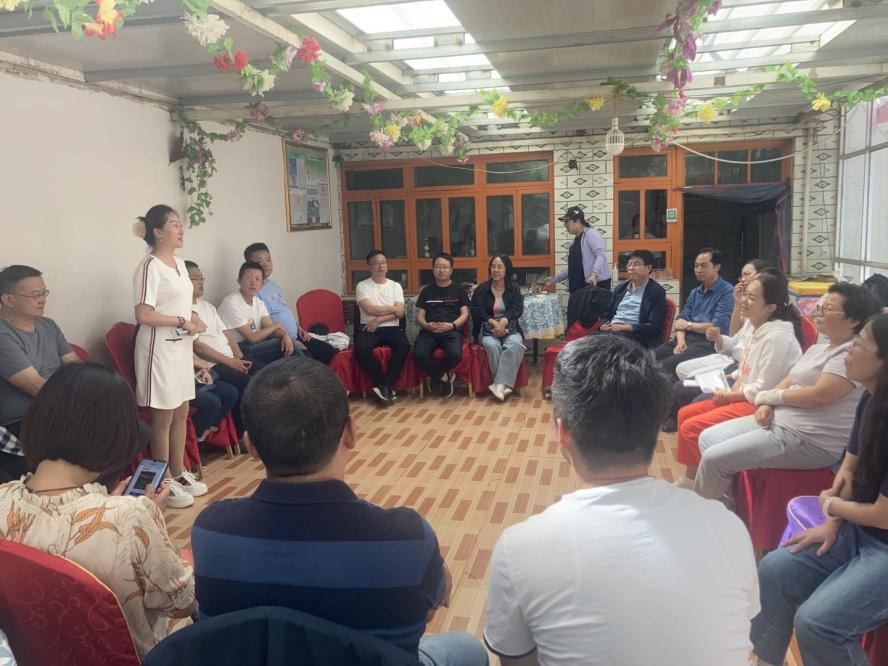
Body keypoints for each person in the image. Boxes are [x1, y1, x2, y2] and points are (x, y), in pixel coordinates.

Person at [191, 357, 487, 666]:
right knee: (467, 648)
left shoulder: (211, 531)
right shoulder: (408, 538)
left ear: (250, 445)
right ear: (350, 432)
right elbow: (433, 603)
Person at [484, 335, 758, 666]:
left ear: (562, 432)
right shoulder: (727, 527)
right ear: (655, 426)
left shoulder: (520, 548)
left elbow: (516, 660)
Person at [0, 363, 195, 658]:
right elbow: (182, 603)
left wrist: (109, 505)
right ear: (117, 435)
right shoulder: (127, 517)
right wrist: (151, 520)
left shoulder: (4, 498)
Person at [750, 313, 888, 666]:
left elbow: (883, 515)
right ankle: (765, 660)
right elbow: (849, 468)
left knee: (816, 624)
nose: (849, 351)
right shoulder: (870, 399)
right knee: (775, 570)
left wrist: (833, 508)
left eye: (860, 344)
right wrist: (833, 522)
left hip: (882, 543)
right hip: (860, 530)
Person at [694, 282, 882, 500]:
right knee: (707, 438)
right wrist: (767, 403)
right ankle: (726, 503)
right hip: (778, 421)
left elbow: (818, 395)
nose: (818, 312)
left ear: (853, 320)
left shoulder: (848, 356)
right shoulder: (818, 348)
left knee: (714, 459)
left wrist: (768, 397)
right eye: (820, 306)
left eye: (828, 309)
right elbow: (788, 379)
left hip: (808, 438)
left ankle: (706, 514)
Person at [674, 271, 803, 488]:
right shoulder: (756, 326)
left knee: (691, 427)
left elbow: (764, 389)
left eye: (752, 297)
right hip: (742, 393)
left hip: (759, 404)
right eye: (746, 295)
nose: (744, 300)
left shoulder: (777, 337)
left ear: (770, 307)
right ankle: (691, 477)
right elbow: (744, 365)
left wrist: (731, 395)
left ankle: (706, 484)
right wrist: (731, 381)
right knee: (685, 413)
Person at [132, 205, 207, 509]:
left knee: (181, 412)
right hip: (158, 351)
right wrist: (181, 321)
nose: (181, 229)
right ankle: (162, 481)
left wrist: (193, 319)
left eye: (180, 224)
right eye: (175, 224)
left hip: (181, 348)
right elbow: (143, 314)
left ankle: (178, 472)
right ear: (158, 232)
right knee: (163, 418)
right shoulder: (149, 266)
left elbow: (181, 304)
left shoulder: (178, 264)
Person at [662, 259, 771, 432]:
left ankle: (678, 415)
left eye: (747, 275)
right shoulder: (696, 292)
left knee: (677, 374)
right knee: (660, 361)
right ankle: (672, 412)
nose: (742, 279)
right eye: (696, 265)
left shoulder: (732, 295)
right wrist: (684, 338)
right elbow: (735, 337)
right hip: (726, 354)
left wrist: (691, 327)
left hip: (722, 355)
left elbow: (719, 328)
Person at [0, 265, 81, 480]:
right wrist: (82, 402)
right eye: (35, 295)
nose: (43, 300)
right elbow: (37, 387)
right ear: (8, 299)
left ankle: (91, 493)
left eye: (44, 293)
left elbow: (76, 366)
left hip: (59, 409)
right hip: (24, 421)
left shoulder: (48, 325)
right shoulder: (3, 335)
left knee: (135, 432)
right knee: (101, 437)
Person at [187, 260, 259, 437]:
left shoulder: (208, 307)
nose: (200, 282)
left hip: (230, 359)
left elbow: (228, 334)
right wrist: (231, 362)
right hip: (213, 364)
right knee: (248, 383)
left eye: (201, 278)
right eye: (195, 279)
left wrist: (239, 358)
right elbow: (199, 348)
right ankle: (243, 433)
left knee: (264, 373)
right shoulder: (183, 311)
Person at [244, 242, 337, 364]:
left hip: (297, 335)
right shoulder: (252, 292)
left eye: (268, 260)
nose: (265, 264)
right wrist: (291, 341)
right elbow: (260, 326)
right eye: (260, 261)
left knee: (328, 351)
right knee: (309, 361)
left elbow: (284, 310)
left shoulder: (273, 285)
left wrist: (299, 328)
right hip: (280, 340)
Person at [653, 247, 734, 376]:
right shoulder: (695, 292)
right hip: (685, 339)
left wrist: (688, 325)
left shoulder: (727, 291)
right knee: (647, 358)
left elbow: (717, 326)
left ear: (717, 267)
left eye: (703, 266)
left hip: (707, 343)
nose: (698, 270)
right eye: (696, 266)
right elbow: (681, 320)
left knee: (662, 367)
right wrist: (681, 342)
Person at [354, 250, 410, 405]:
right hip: (368, 327)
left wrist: (379, 320)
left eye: (383, 262)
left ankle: (387, 385)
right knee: (361, 350)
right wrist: (393, 309)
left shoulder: (395, 286)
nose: (381, 266)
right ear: (369, 267)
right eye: (377, 263)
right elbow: (369, 309)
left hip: (391, 327)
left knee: (403, 346)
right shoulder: (362, 286)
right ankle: (382, 384)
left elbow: (400, 313)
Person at [217, 261, 296, 366]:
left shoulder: (258, 302)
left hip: (255, 345)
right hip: (238, 349)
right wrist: (277, 325)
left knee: (286, 343)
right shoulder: (231, 302)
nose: (253, 283)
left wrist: (284, 334)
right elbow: (252, 338)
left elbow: (271, 329)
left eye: (258, 279)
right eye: (248, 278)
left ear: (262, 284)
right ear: (239, 280)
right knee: (283, 345)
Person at [414, 253, 470, 398]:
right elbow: (420, 315)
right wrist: (426, 325)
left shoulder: (459, 289)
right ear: (433, 269)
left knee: (455, 354)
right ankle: (444, 377)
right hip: (429, 331)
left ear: (451, 270)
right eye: (438, 267)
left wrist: (452, 325)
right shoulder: (426, 291)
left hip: (451, 331)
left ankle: (435, 376)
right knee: (418, 355)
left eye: (445, 267)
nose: (441, 270)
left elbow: (465, 314)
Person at [471, 254, 525, 402]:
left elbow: (517, 309)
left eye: (500, 267)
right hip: (487, 329)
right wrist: (494, 323)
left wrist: (503, 322)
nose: (495, 270)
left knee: (515, 343)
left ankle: (498, 384)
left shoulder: (514, 288)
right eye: (493, 266)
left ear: (506, 270)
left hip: (509, 328)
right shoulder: (482, 289)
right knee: (491, 345)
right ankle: (503, 384)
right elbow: (475, 309)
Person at [597, 249, 667, 348]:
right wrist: (604, 325)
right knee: (586, 342)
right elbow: (607, 315)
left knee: (601, 347)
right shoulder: (620, 288)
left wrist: (623, 327)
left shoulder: (656, 291)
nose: (631, 268)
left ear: (648, 268)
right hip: (613, 331)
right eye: (629, 264)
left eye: (636, 264)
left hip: (637, 335)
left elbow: (654, 326)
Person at [543, 206, 611, 293]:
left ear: (577, 221)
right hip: (578, 289)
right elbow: (573, 268)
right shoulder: (574, 243)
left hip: (595, 286)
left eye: (567, 222)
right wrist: (554, 279)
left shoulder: (591, 234)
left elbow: (601, 255)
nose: (565, 225)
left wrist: (594, 274)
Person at [190, 355, 239, 443]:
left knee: (231, 393)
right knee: (212, 402)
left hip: (196, 380)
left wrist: (204, 370)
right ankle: (194, 438)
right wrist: (194, 362)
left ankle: (206, 431)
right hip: (180, 388)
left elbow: (198, 359)